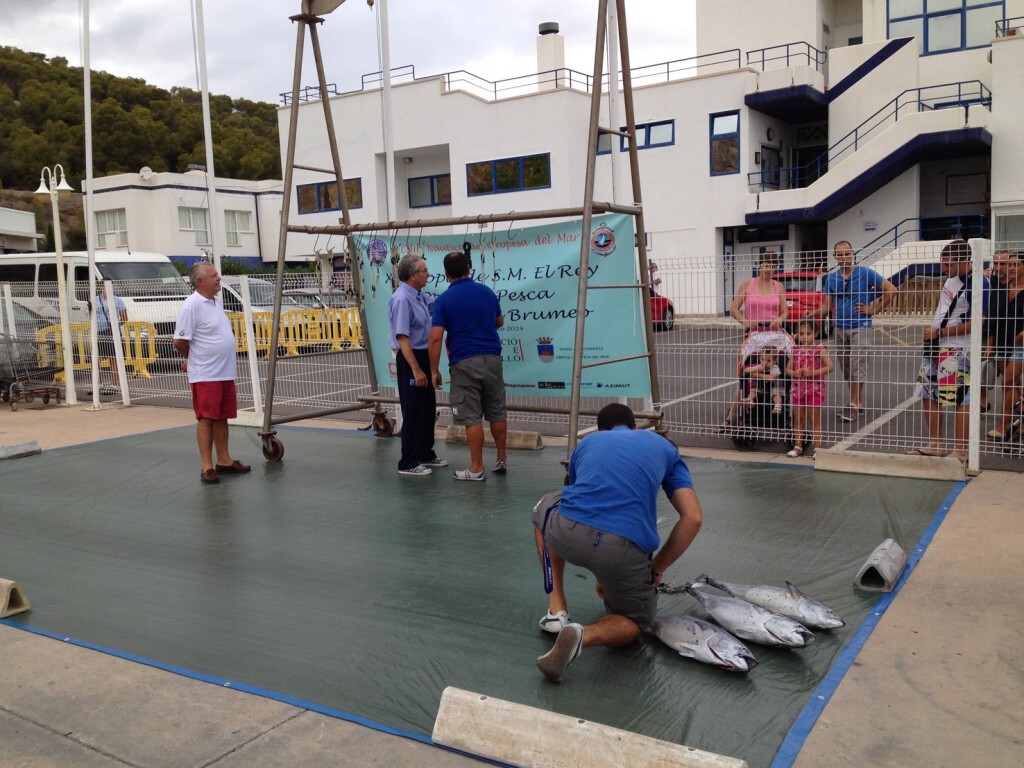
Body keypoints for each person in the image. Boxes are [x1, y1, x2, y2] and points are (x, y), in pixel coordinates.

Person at [531, 403, 702, 684]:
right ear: (635, 427)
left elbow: (582, 501)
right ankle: (584, 635)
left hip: (567, 532)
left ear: (600, 430)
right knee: (634, 623)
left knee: (545, 508)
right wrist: (655, 570)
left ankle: (557, 608)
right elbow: (693, 518)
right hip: (623, 550)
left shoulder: (589, 443)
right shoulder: (663, 447)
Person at [428, 249, 509, 481]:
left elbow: (435, 337)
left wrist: (434, 370)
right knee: (496, 411)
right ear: (468, 269)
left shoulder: (443, 300)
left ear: (445, 274)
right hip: (492, 358)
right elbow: (499, 321)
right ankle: (501, 458)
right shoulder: (486, 292)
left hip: (464, 361)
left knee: (471, 416)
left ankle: (476, 468)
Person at [910, 240, 989, 461]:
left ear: (964, 261)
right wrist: (936, 334)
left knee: (959, 398)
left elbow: (977, 322)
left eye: (949, 264)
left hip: (958, 348)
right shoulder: (952, 280)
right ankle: (935, 443)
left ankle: (960, 450)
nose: (944, 269)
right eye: (943, 263)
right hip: (937, 346)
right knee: (928, 392)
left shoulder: (978, 283)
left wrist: (940, 333)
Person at [173, 262, 250, 484]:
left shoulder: (215, 302)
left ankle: (224, 460)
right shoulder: (191, 305)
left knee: (222, 416)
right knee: (206, 417)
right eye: (214, 276)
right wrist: (192, 358)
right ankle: (206, 466)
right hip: (206, 373)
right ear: (200, 282)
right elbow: (179, 340)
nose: (219, 279)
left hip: (224, 371)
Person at [811, 240, 897, 423]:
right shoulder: (832, 279)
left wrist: (874, 310)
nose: (844, 257)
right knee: (848, 367)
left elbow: (891, 290)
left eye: (847, 253)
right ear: (835, 257)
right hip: (840, 328)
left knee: (858, 363)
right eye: (840, 254)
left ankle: (852, 405)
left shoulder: (865, 273)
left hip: (861, 326)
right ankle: (858, 401)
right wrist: (811, 314)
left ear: (853, 254)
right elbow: (827, 306)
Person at [388, 254, 446, 476]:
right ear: (413, 275)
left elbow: (439, 305)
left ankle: (424, 452)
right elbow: (402, 337)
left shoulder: (419, 296)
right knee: (412, 409)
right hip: (411, 357)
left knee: (426, 407)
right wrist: (417, 368)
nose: (428, 274)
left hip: (423, 354)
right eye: (424, 270)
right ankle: (408, 461)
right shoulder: (402, 299)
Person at [722, 251, 787, 429]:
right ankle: (730, 416)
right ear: (759, 265)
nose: (769, 269)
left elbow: (784, 311)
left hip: (774, 335)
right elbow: (734, 307)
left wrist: (780, 319)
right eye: (766, 265)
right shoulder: (747, 285)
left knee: (780, 367)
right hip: (754, 335)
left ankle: (781, 406)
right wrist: (745, 321)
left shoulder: (778, 287)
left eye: (773, 266)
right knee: (745, 374)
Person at [987, 250, 1024, 440]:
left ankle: (1005, 425)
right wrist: (991, 341)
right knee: (1013, 384)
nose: (1010, 268)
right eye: (1009, 265)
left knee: (1008, 381)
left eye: (1015, 264)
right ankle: (1019, 422)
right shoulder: (1003, 286)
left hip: (1021, 344)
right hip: (1003, 339)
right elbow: (995, 315)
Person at [786, 320, 833, 458]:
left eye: (808, 334)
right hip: (798, 389)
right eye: (801, 334)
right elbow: (788, 369)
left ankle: (818, 448)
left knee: (814, 419)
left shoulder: (819, 349)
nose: (805, 337)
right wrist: (795, 373)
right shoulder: (795, 350)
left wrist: (813, 373)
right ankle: (798, 446)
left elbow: (830, 366)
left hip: (815, 390)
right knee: (798, 419)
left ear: (816, 333)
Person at [92, 289, 127, 395]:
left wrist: (115, 326)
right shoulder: (94, 300)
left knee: (113, 358)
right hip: (98, 331)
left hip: (112, 331)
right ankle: (98, 384)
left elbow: (124, 318)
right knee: (95, 358)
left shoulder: (117, 300)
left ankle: (114, 384)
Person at [742, 345, 784, 415]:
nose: (765, 363)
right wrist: (756, 369)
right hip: (761, 386)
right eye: (763, 360)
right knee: (753, 390)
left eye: (769, 361)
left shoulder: (775, 368)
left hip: (773, 386)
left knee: (776, 394)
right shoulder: (759, 366)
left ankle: (778, 406)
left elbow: (772, 378)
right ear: (759, 359)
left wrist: (758, 375)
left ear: (775, 361)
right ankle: (749, 400)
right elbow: (746, 370)